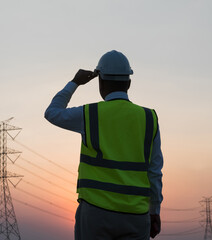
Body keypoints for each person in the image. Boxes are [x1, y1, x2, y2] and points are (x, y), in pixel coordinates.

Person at [44, 50, 163, 240]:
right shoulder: (149, 118)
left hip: (95, 214)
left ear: (101, 82)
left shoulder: (90, 114)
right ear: (129, 83)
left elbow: (52, 113)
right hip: (136, 216)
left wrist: (75, 82)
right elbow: (154, 171)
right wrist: (154, 211)